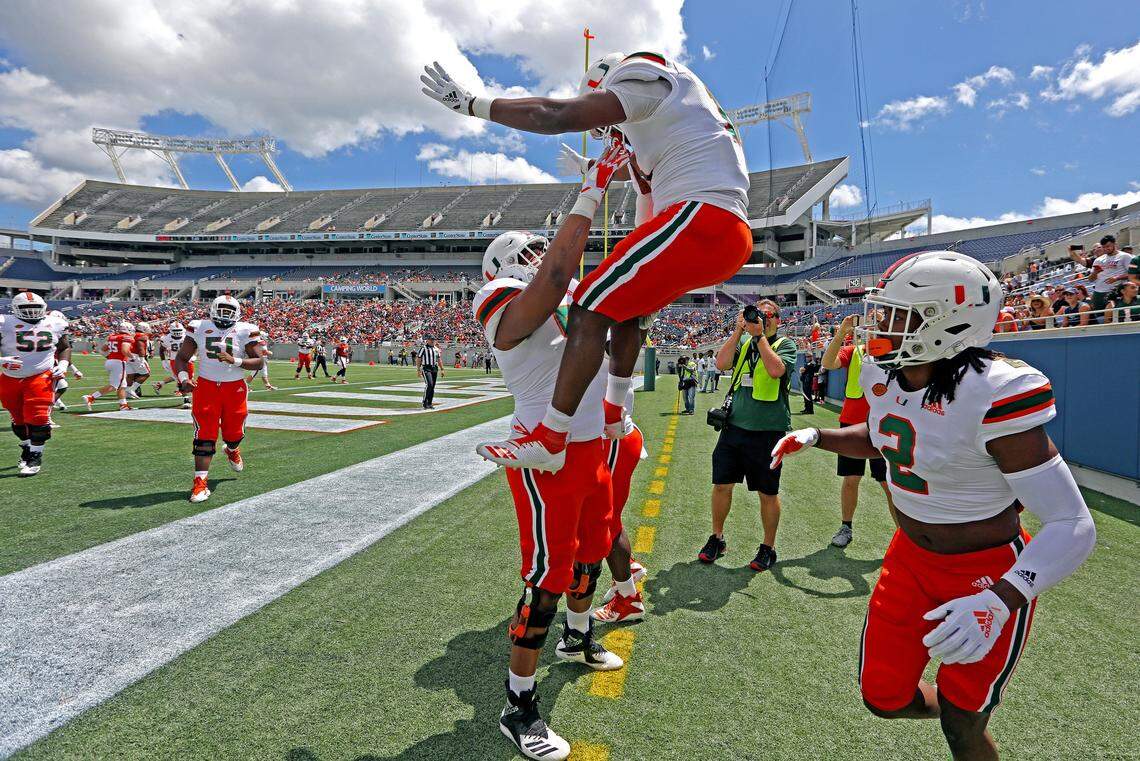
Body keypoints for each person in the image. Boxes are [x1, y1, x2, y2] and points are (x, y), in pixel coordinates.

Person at [771, 251, 1096, 761]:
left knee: (963, 727)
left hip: (986, 572)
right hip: (908, 559)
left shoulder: (994, 392)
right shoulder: (885, 372)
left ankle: (966, 712)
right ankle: (957, 706)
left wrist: (998, 601)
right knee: (883, 698)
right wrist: (819, 435)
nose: (881, 325)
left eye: (899, 315)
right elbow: (889, 438)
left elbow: (1072, 522)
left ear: (949, 322)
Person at [424, 50, 752, 473]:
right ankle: (615, 415)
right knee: (622, 305)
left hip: (703, 217)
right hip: (717, 231)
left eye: (609, 120)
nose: (610, 132)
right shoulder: (678, 124)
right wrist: (596, 172)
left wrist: (474, 104)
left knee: (588, 304)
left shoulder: (643, 76)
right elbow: (645, 199)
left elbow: (554, 115)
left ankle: (551, 435)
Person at [470, 141, 628, 761]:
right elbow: (557, 274)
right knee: (547, 576)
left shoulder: (561, 294)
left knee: (592, 554)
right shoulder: (499, 300)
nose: (541, 255)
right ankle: (519, 703)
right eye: (528, 253)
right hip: (547, 455)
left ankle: (579, 636)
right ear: (506, 265)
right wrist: (591, 190)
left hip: (589, 445)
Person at [698, 300, 797, 572]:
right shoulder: (744, 343)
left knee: (767, 492)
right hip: (735, 427)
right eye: (756, 315)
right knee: (721, 485)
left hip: (767, 431)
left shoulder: (785, 345)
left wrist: (760, 337)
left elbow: (776, 370)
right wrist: (738, 331)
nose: (760, 319)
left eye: (766, 315)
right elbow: (720, 363)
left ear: (777, 319)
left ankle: (768, 547)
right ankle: (717, 538)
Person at [174, 295, 265, 503]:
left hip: (234, 389)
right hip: (206, 387)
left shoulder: (246, 329)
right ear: (213, 308)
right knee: (204, 435)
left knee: (233, 434)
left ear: (238, 312)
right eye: (221, 308)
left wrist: (236, 360)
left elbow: (259, 361)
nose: (225, 313)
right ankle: (200, 484)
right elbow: (182, 358)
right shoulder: (198, 326)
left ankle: (232, 449)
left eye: (229, 309)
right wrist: (183, 378)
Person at [820, 315, 898, 549]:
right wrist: (842, 332)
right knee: (851, 478)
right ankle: (846, 526)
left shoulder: (896, 351)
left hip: (885, 424)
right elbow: (828, 361)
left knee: (889, 482)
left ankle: (904, 533)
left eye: (879, 319)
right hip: (852, 422)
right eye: (871, 319)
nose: (874, 323)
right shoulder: (854, 350)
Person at [593, 337, 649, 625]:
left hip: (609, 436)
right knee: (603, 518)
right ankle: (627, 568)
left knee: (604, 521)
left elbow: (619, 340)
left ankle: (629, 599)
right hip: (604, 435)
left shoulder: (612, 323)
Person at [0, 292, 72, 476]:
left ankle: (35, 456)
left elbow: (64, 347)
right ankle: (26, 448)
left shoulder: (55, 323)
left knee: (39, 417)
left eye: (36, 308)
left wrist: (63, 364)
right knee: (18, 420)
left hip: (41, 375)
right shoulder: (4, 323)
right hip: (9, 377)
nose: (31, 312)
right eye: (26, 308)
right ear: (15, 308)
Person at [83, 320, 135, 412]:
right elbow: (124, 350)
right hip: (119, 362)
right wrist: (132, 357)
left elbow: (102, 350)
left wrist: (110, 358)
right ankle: (91, 397)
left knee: (122, 385)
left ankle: (123, 405)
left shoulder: (112, 337)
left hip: (111, 361)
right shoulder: (126, 337)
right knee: (115, 385)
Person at [1087, 235, 1131, 321]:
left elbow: (1133, 274)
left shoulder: (1125, 256)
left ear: (1115, 244)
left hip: (1115, 292)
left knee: (1114, 317)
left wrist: (1117, 278)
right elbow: (1090, 279)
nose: (1106, 249)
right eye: (1103, 247)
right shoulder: (1098, 260)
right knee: (1100, 318)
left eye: (1108, 246)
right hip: (1098, 292)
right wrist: (1095, 272)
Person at [154, 322, 193, 408]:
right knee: (181, 380)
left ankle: (193, 397)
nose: (177, 332)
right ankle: (186, 399)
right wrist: (163, 361)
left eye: (179, 330)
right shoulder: (166, 339)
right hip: (175, 361)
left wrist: (193, 355)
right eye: (175, 330)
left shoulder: (188, 335)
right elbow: (161, 349)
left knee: (190, 379)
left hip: (187, 360)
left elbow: (195, 346)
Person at [124, 322, 152, 399]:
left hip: (128, 355)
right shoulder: (141, 336)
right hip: (136, 356)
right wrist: (142, 358)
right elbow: (141, 347)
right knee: (146, 374)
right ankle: (132, 389)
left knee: (130, 375)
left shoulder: (132, 334)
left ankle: (127, 392)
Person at [416, 337, 443, 409]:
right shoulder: (424, 348)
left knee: (432, 386)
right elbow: (419, 358)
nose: (432, 341)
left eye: (433, 340)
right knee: (429, 384)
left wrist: (442, 369)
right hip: (426, 368)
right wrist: (418, 369)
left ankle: (430, 403)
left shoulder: (436, 349)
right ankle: (425, 402)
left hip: (434, 368)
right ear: (427, 340)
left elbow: (439, 359)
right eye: (431, 340)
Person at [799, 347, 819, 414]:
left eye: (808, 356)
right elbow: (802, 370)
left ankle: (810, 410)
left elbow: (802, 370)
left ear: (811, 356)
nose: (807, 357)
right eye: (806, 356)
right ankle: (806, 408)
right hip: (805, 381)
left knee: (808, 396)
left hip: (808, 381)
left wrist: (802, 370)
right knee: (805, 395)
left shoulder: (812, 363)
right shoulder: (808, 363)